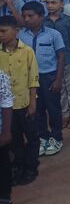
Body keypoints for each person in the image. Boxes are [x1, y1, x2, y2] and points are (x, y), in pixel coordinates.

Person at [19, 1, 65, 156]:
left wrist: (58, 80)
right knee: (36, 109)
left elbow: (60, 57)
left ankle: (56, 137)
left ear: (41, 16)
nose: (26, 19)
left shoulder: (53, 34)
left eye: (30, 16)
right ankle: (43, 137)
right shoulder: (21, 35)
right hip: (30, 79)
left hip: (49, 76)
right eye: (24, 16)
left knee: (53, 108)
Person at [0, 16, 39, 186]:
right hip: (6, 107)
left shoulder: (27, 51)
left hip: (24, 102)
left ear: (16, 31)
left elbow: (33, 78)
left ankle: (31, 167)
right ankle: (19, 166)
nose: (0, 35)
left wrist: (33, 103)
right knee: (14, 138)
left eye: (3, 31)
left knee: (31, 136)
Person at [0, 68, 13, 204]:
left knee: (2, 162)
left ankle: (4, 197)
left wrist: (6, 131)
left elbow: (6, 102)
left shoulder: (1, 77)